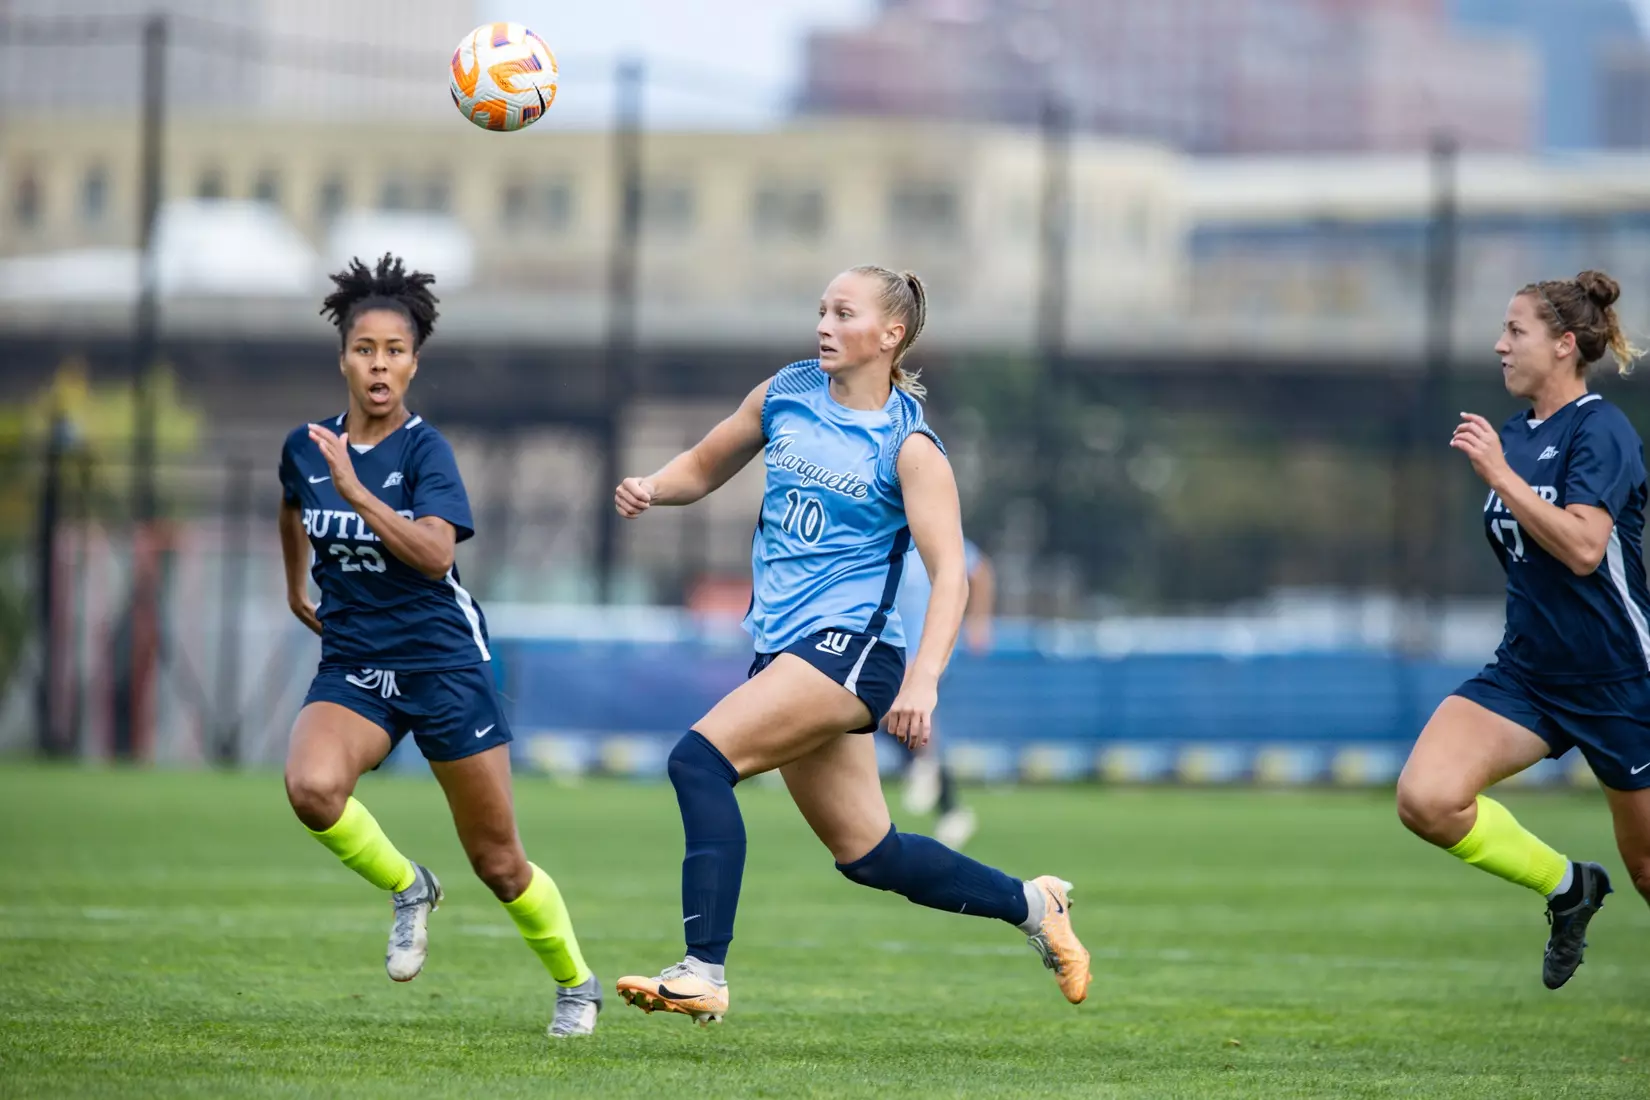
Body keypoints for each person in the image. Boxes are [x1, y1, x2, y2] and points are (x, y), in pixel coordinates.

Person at [610, 265, 1090, 1026]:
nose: (823, 325)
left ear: (890, 335)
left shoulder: (912, 447)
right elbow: (705, 463)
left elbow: (951, 578)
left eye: (843, 312)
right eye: (821, 310)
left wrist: (924, 682)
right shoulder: (788, 392)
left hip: (852, 652)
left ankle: (703, 970)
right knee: (871, 856)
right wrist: (652, 486)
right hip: (785, 649)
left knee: (698, 760)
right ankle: (1034, 905)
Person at [278, 253, 601, 1037]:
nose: (379, 363)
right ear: (343, 357)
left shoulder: (426, 453)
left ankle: (576, 984)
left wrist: (359, 493)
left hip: (444, 661)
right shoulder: (306, 446)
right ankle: (409, 886)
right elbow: (292, 506)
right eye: (365, 349)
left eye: (394, 350)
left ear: (414, 362)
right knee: (312, 789)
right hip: (356, 658)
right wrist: (295, 588)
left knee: (498, 862)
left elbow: (435, 555)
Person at [1396, 269, 1650, 990]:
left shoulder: (1602, 428)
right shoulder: (1516, 435)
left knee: (1647, 870)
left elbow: (1583, 547)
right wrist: (1504, 469)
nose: (1499, 345)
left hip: (1620, 680)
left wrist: (1501, 477)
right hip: (1529, 675)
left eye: (1516, 331)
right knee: (1426, 799)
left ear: (1565, 344)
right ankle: (1569, 887)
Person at [894, 537, 995, 850]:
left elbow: (980, 572)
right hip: (890, 643)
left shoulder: (935, 532)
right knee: (887, 713)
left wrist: (978, 623)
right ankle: (944, 796)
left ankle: (925, 767)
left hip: (926, 647)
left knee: (901, 706)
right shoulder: (881, 531)